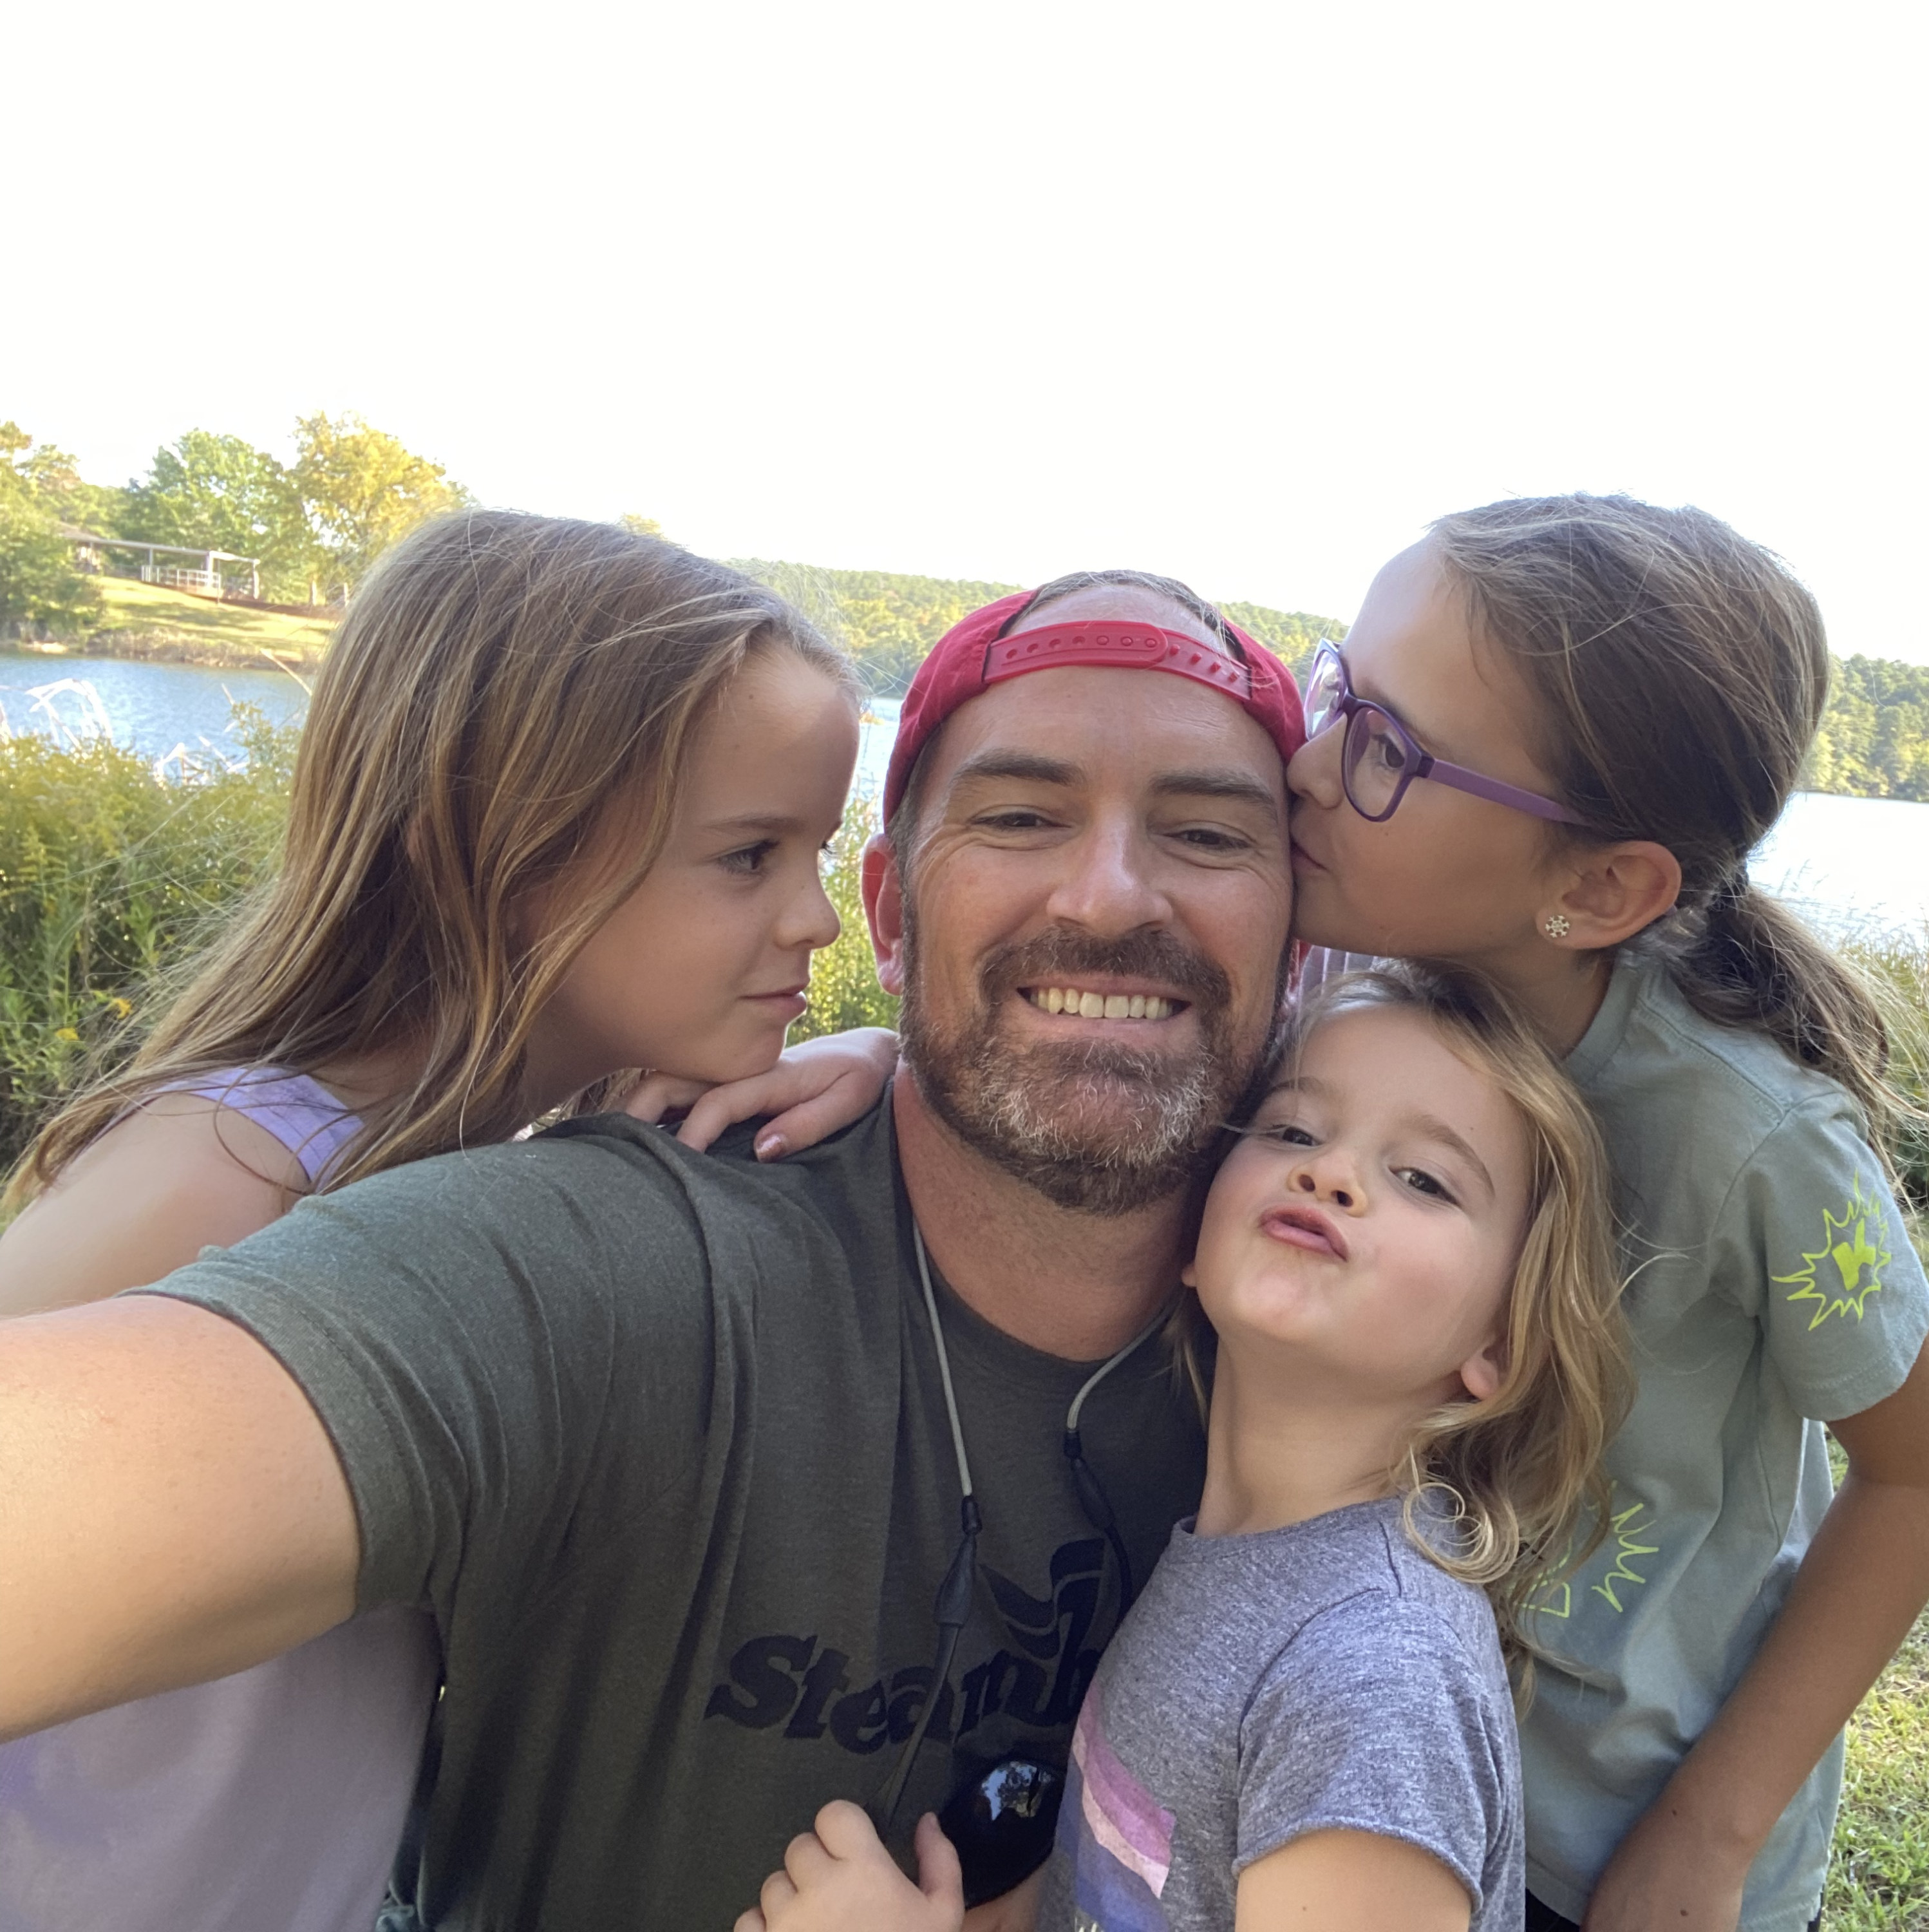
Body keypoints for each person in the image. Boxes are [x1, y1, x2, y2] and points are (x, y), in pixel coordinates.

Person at [686, 495, 1929, 1932]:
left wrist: (1709, 1832)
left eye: (1385, 750)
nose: (1301, 764)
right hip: (1322, 1733)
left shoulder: (1757, 1139)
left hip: (1616, 1832)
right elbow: (1114, 1045)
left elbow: (1918, 1478)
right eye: (1335, 692)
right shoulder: (1368, 987)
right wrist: (900, 1057)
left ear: (1601, 885)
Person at [0, 572, 1306, 1931]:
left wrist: (908, 1045)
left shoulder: (1352, 1310)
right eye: (1021, 817)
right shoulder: (521, 1238)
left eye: (1208, 833)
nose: (1110, 895)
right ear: (895, 914)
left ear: (1301, 939)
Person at [0, 511, 861, 1932]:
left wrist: (877, 1064)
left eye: (818, 850)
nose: (816, 920)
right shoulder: (225, 1172)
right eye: (748, 856)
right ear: (504, 851)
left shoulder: (485, 1162)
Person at [735, 964, 1632, 1932]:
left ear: (1502, 1340)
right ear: (1193, 1235)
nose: (1332, 1173)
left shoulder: (1376, 1676)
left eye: (1423, 1179)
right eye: (1293, 1131)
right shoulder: (1234, 1561)